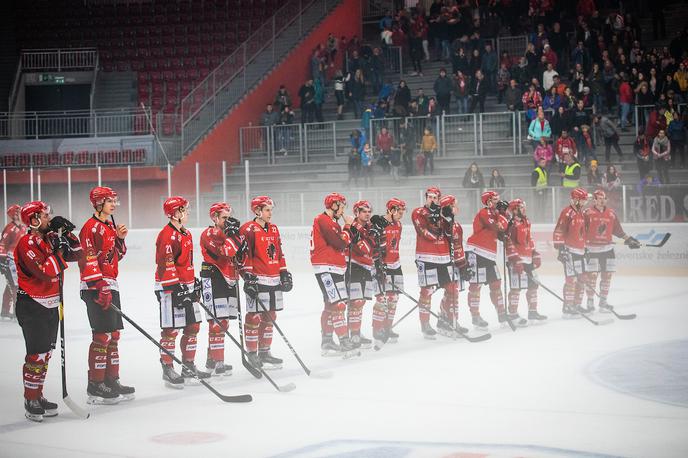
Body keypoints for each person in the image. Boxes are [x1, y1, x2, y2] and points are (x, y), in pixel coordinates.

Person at [15, 201, 80, 421]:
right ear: (33, 220)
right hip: (33, 305)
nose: (48, 219)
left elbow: (77, 255)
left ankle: (38, 394)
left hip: (51, 304)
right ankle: (30, 398)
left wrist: (68, 235)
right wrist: (59, 248)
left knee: (46, 354)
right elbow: (45, 271)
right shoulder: (27, 243)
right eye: (44, 216)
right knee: (36, 355)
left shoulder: (48, 239)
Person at [78, 186, 135, 404]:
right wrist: (99, 285)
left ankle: (112, 380)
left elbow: (114, 257)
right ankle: (95, 385)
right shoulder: (90, 228)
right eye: (110, 201)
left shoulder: (109, 225)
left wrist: (120, 239)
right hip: (94, 286)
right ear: (99, 203)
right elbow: (88, 260)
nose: (113, 205)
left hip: (111, 284)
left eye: (114, 201)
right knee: (101, 336)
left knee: (114, 336)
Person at [155, 196, 209, 389]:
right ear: (175, 213)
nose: (187, 212)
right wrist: (175, 287)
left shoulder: (185, 233)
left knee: (193, 326)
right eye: (184, 210)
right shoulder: (167, 235)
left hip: (185, 286)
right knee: (170, 330)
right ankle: (168, 368)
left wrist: (192, 283)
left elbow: (186, 263)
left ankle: (188, 366)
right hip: (170, 288)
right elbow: (165, 264)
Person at [239, 196, 291, 369]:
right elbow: (244, 257)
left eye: (271, 210)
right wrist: (248, 278)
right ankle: (252, 353)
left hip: (274, 278)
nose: (270, 213)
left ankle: (264, 352)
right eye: (267, 210)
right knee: (254, 316)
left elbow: (279, 252)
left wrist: (283, 272)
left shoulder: (274, 229)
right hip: (257, 279)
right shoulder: (248, 229)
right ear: (257, 211)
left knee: (271, 316)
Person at [199, 202, 246, 376]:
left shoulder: (230, 234)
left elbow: (237, 257)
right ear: (215, 218)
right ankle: (219, 362)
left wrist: (244, 273)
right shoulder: (209, 234)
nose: (228, 221)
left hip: (229, 278)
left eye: (229, 217)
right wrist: (235, 238)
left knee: (223, 322)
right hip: (213, 277)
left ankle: (212, 360)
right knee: (217, 322)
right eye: (224, 218)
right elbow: (226, 252)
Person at [311, 193, 358, 358]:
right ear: (334, 205)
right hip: (326, 268)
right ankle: (344, 341)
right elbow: (339, 243)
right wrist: (347, 227)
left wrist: (350, 230)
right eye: (342, 206)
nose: (343, 210)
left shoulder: (332, 222)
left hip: (334, 268)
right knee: (338, 305)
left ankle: (327, 341)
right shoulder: (323, 220)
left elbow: (343, 242)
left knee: (331, 305)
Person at [583, 190, 640, 313]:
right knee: (591, 276)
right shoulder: (587, 213)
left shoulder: (611, 214)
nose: (602, 201)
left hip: (607, 250)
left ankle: (603, 301)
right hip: (591, 249)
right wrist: (582, 245)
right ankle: (590, 301)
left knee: (607, 276)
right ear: (594, 200)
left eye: (604, 198)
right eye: (599, 198)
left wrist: (629, 239)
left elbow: (618, 231)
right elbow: (580, 230)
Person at [465, 191, 509, 329]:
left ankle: (502, 313)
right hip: (476, 251)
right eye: (495, 200)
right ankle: (475, 316)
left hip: (488, 254)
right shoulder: (484, 213)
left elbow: (504, 229)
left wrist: (503, 216)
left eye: (498, 199)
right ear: (488, 201)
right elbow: (499, 226)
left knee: (496, 282)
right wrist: (502, 215)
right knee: (475, 286)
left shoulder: (495, 214)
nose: (498, 202)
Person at [411, 187, 450, 338]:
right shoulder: (418, 212)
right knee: (426, 291)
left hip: (444, 257)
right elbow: (425, 233)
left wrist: (448, 219)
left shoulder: (443, 213)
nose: (432, 200)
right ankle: (425, 324)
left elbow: (449, 233)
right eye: (429, 197)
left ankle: (445, 318)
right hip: (426, 257)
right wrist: (432, 220)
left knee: (451, 288)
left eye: (435, 197)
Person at [371, 198, 406, 349]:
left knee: (394, 298)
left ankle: (387, 327)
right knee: (382, 299)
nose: (401, 214)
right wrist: (378, 265)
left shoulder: (399, 224)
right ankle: (377, 330)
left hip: (395, 265)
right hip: (380, 265)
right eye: (399, 210)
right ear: (391, 210)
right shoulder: (379, 224)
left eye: (403, 211)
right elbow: (373, 245)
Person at [505, 199, 546, 324]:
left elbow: (529, 238)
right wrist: (515, 259)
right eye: (521, 207)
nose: (524, 209)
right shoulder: (510, 224)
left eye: (524, 207)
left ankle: (532, 312)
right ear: (515, 210)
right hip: (516, 260)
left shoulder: (526, 221)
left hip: (527, 259)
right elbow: (508, 242)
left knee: (534, 285)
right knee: (516, 288)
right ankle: (512, 314)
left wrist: (535, 253)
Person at [436, 195, 472, 336]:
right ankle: (449, 321)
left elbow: (458, 247)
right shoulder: (441, 223)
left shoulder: (457, 225)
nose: (457, 207)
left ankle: (446, 320)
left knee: (452, 292)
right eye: (454, 205)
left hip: (453, 264)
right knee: (453, 291)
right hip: (443, 264)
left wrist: (463, 265)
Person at [345, 200, 378, 350]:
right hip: (353, 266)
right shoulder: (349, 226)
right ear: (356, 212)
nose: (367, 213)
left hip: (366, 267)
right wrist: (352, 228)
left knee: (361, 302)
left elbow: (368, 248)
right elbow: (357, 246)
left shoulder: (371, 228)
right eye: (364, 211)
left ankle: (355, 331)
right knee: (355, 302)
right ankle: (354, 334)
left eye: (369, 211)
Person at [553, 187, 589, 318]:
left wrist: (586, 248)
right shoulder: (567, 212)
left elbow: (582, 232)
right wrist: (560, 249)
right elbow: (559, 230)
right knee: (571, 279)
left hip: (580, 250)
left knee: (583, 277)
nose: (585, 202)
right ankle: (568, 306)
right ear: (576, 200)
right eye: (583, 200)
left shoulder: (581, 212)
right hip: (569, 250)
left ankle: (577, 304)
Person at [0, 204, 24, 319]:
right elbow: (2, 244)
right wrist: (2, 261)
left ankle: (5, 311)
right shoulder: (9, 228)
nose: (21, 213)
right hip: (10, 261)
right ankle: (17, 312)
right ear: (14, 215)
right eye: (18, 211)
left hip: (19, 261)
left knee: (11, 286)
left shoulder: (23, 228)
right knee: (15, 286)